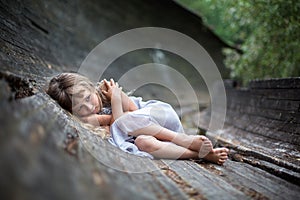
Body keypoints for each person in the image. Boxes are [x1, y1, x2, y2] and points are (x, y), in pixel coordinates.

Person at [47, 72, 229, 165]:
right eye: (80, 108)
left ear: (90, 86)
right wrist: (116, 100)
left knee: (128, 119)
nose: (88, 107)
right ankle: (200, 154)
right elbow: (118, 124)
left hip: (160, 118)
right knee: (144, 143)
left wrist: (117, 96)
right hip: (150, 137)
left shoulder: (106, 95)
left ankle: (183, 139)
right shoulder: (88, 119)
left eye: (88, 98)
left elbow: (133, 112)